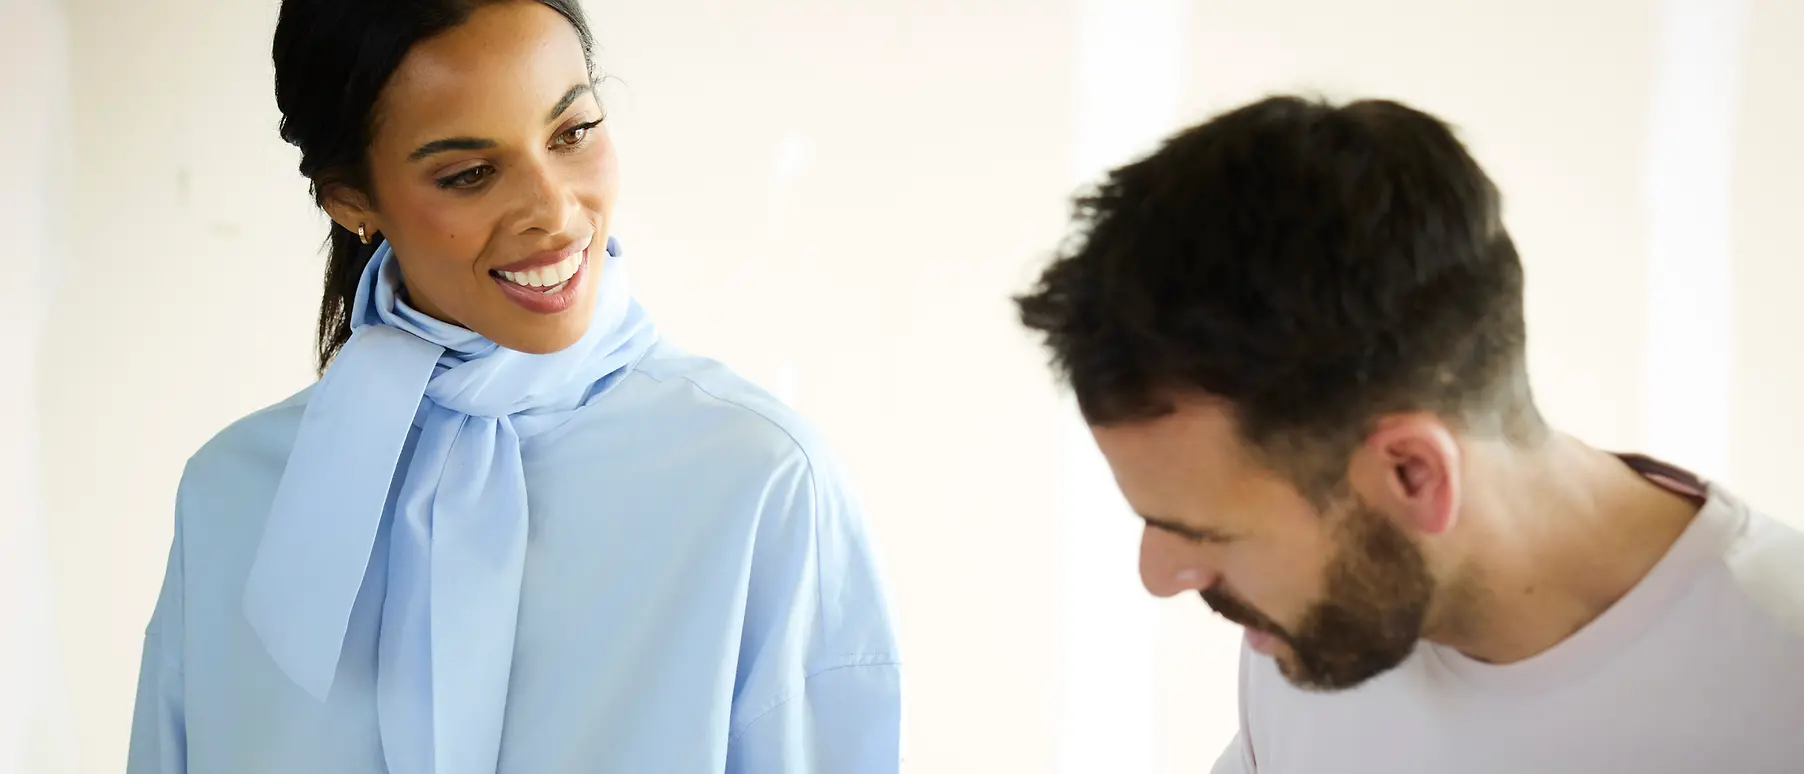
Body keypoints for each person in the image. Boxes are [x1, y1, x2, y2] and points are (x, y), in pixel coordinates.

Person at [126, 2, 901, 772]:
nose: (554, 212)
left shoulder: (760, 481)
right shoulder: (231, 495)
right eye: (469, 173)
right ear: (351, 200)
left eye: (573, 133)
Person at [1015, 94, 1804, 773]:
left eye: (1205, 531)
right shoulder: (1325, 639)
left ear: (1413, 475)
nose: (1160, 573)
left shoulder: (1776, 691)